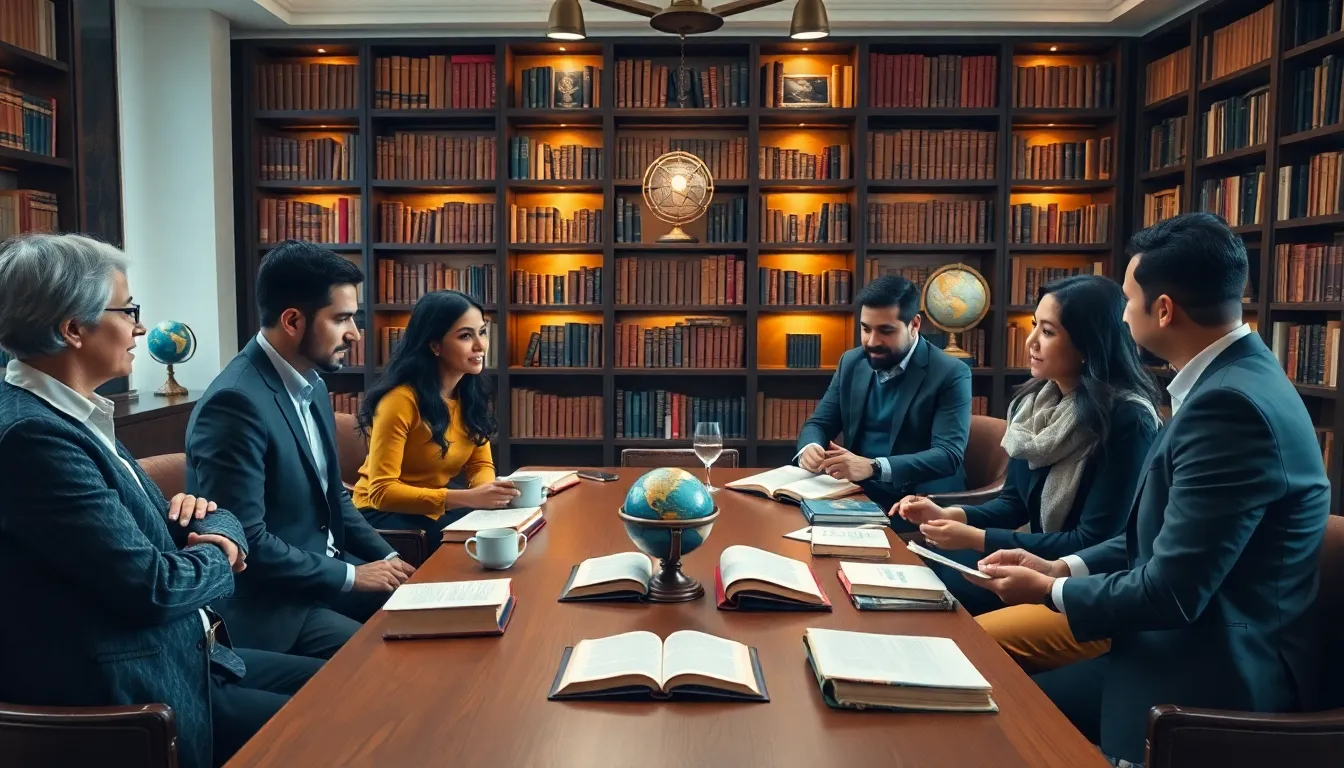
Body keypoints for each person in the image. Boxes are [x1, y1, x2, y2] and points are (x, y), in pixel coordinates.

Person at [975, 212, 1330, 767]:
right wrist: (1061, 569)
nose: (1122, 313)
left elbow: (1173, 591)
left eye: (1127, 299)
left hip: (1207, 675)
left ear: (1162, 310)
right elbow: (1159, 540)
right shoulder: (1232, 380)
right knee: (992, 703)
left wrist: (1048, 594)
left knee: (997, 720)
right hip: (1172, 644)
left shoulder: (1227, 406)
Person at [0, 233, 323, 768]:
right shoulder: (34, 438)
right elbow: (153, 587)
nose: (141, 328)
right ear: (73, 328)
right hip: (135, 690)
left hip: (191, 654)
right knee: (338, 720)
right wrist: (222, 549)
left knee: (348, 682)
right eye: (128, 310)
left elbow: (185, 517)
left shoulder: (74, 414)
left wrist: (216, 524)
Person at [892, 275, 1160, 673]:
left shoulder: (1127, 420)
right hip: (1036, 557)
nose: (1031, 341)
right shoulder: (1035, 404)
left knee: (950, 621)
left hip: (1085, 585)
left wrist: (976, 537)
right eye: (1034, 324)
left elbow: (1096, 541)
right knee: (920, 576)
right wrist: (952, 516)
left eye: (1047, 331)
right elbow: (1014, 501)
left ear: (1090, 343)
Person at [185, 240, 416, 660]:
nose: (355, 333)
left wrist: (392, 558)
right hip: (273, 607)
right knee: (386, 662)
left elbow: (335, 498)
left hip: (322, 578)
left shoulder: (311, 384)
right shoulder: (234, 404)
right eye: (342, 318)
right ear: (293, 320)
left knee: (438, 624)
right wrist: (352, 576)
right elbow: (248, 539)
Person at [795, 273, 972, 522]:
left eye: (886, 331)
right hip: (856, 495)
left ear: (915, 324)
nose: (872, 341)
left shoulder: (951, 373)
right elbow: (820, 424)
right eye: (865, 329)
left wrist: (873, 467)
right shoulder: (852, 362)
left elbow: (947, 455)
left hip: (917, 504)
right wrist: (810, 447)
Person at [351, 290, 518, 552]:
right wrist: (468, 498)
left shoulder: (469, 392)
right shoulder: (400, 400)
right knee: (472, 547)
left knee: (510, 529)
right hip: (382, 513)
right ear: (435, 345)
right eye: (465, 336)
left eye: (482, 332)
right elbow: (382, 492)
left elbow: (480, 464)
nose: (480, 346)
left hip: (434, 504)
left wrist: (489, 496)